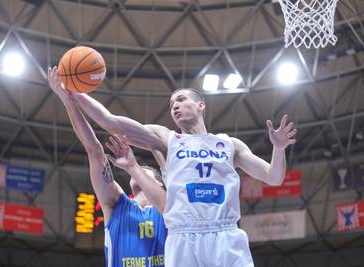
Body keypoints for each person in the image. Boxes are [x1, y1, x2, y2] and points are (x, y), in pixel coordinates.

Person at [48, 66, 297, 267]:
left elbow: (273, 177)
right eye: (170, 104)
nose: (174, 105)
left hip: (226, 234)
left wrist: (279, 148)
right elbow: (110, 122)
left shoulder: (230, 144)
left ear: (200, 105)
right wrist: (73, 90)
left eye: (180, 99)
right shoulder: (167, 140)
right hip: (183, 236)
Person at [47, 68, 167, 267]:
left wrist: (134, 166)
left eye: (145, 172)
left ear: (160, 182)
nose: (136, 175)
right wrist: (68, 101)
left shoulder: (172, 207)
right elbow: (94, 150)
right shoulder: (116, 203)